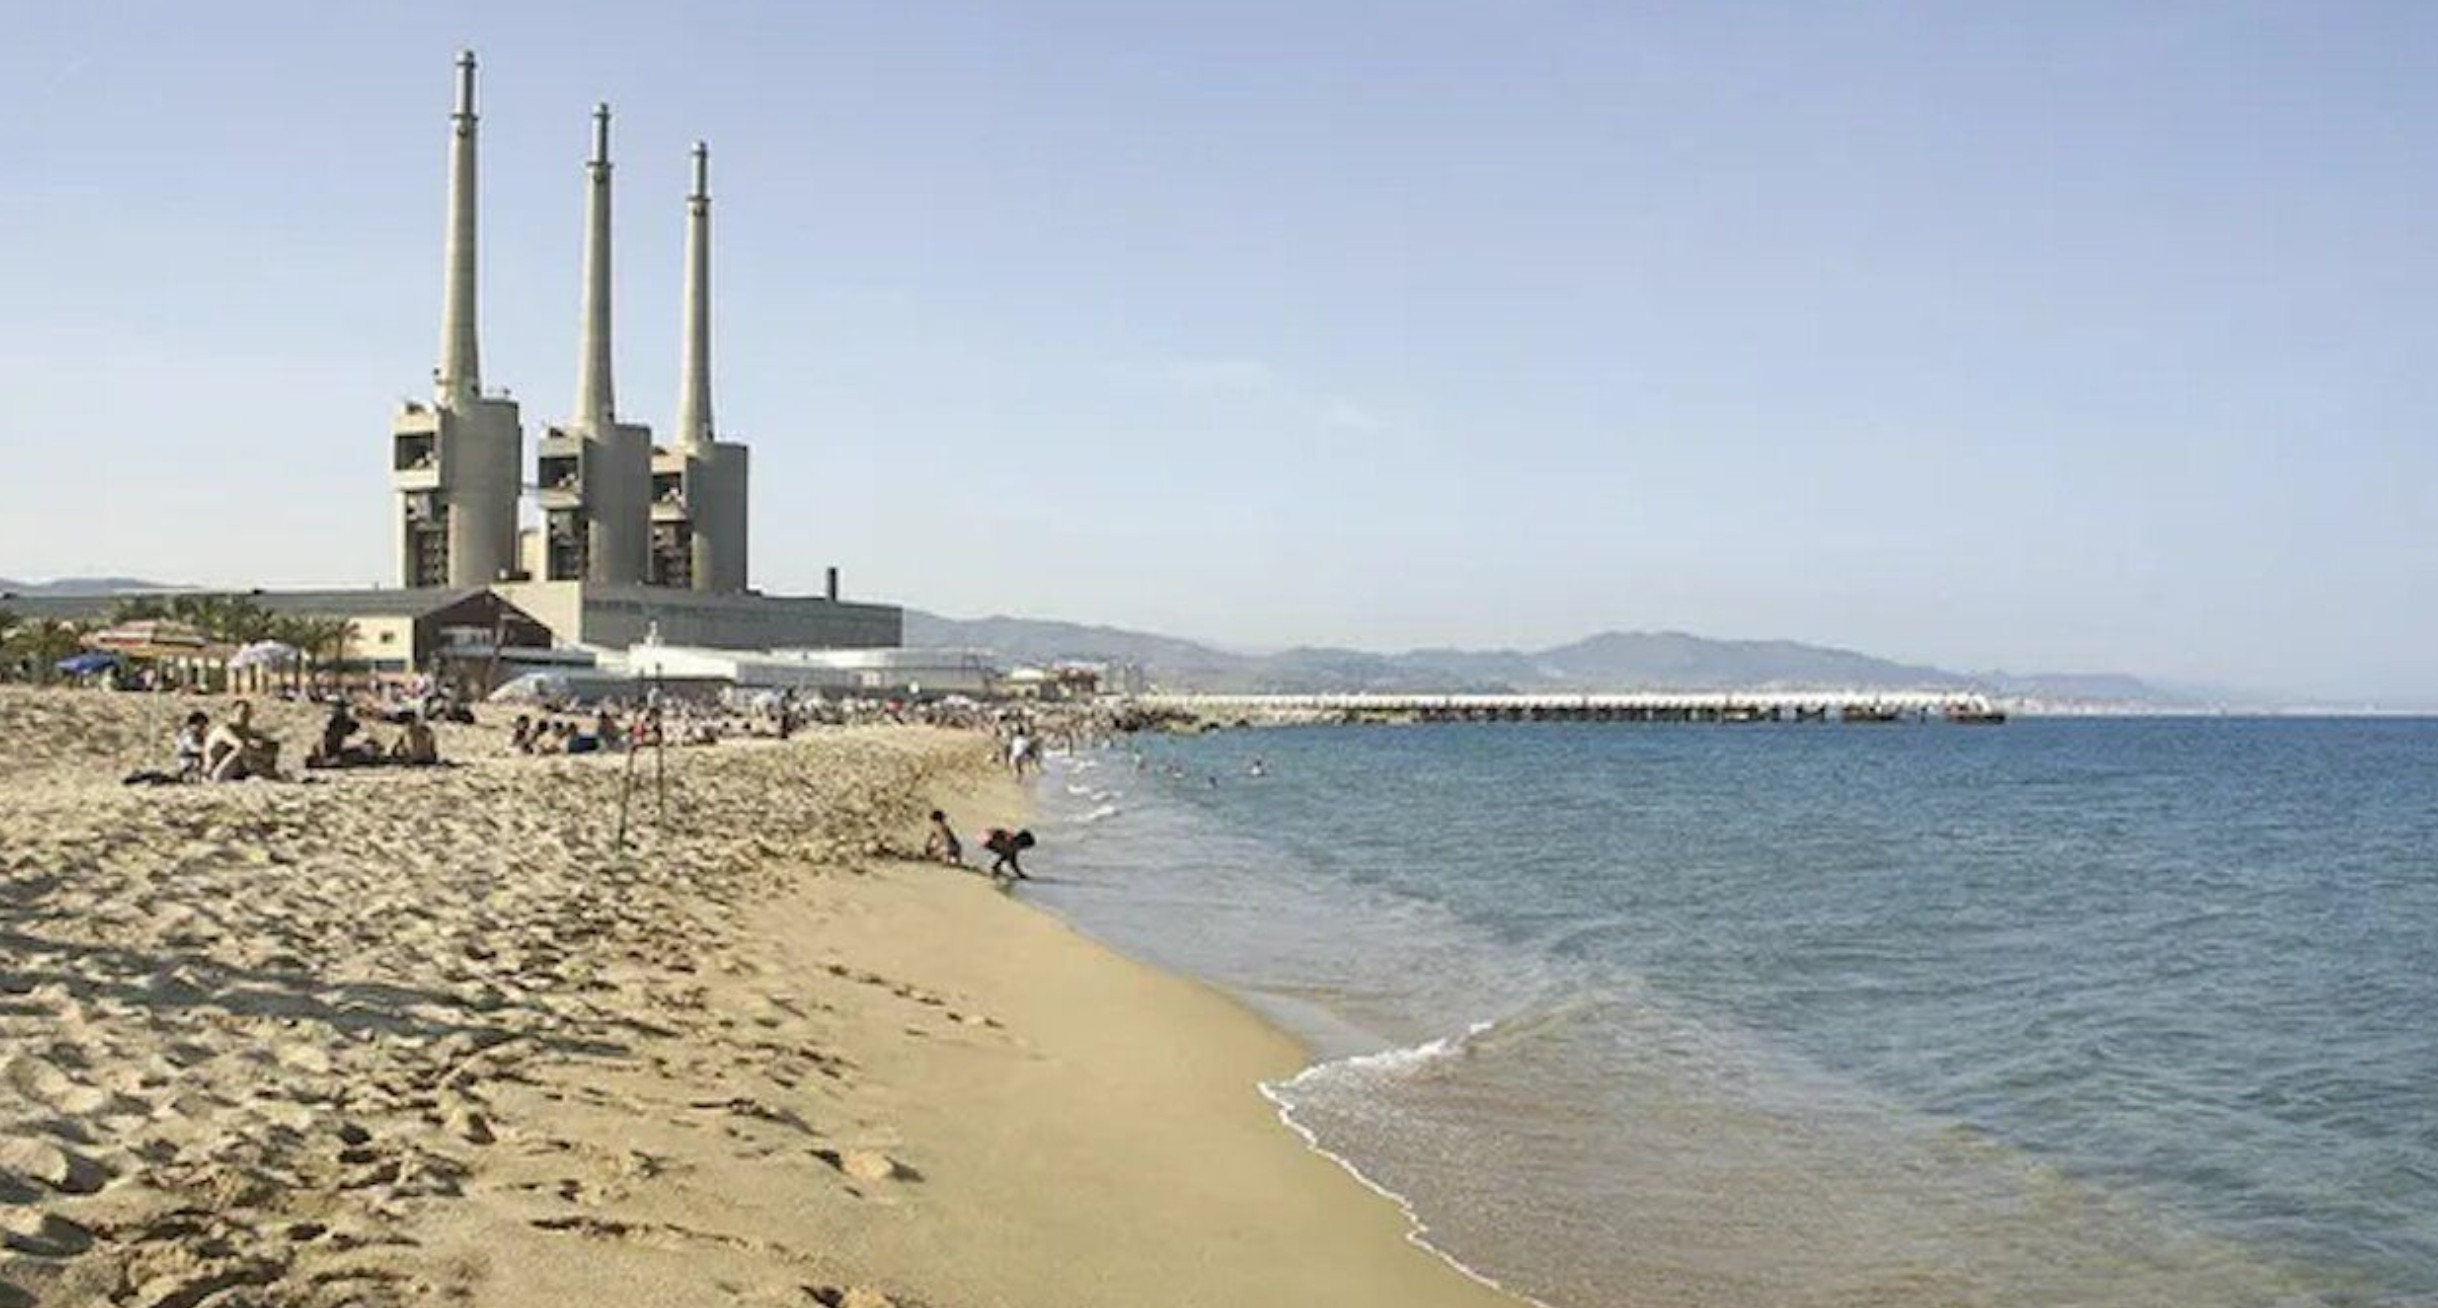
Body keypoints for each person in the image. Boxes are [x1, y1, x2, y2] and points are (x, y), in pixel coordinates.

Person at [173, 711, 210, 782]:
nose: (202, 728)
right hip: (188, 767)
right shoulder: (187, 734)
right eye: (201, 725)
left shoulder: (198, 735)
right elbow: (194, 748)